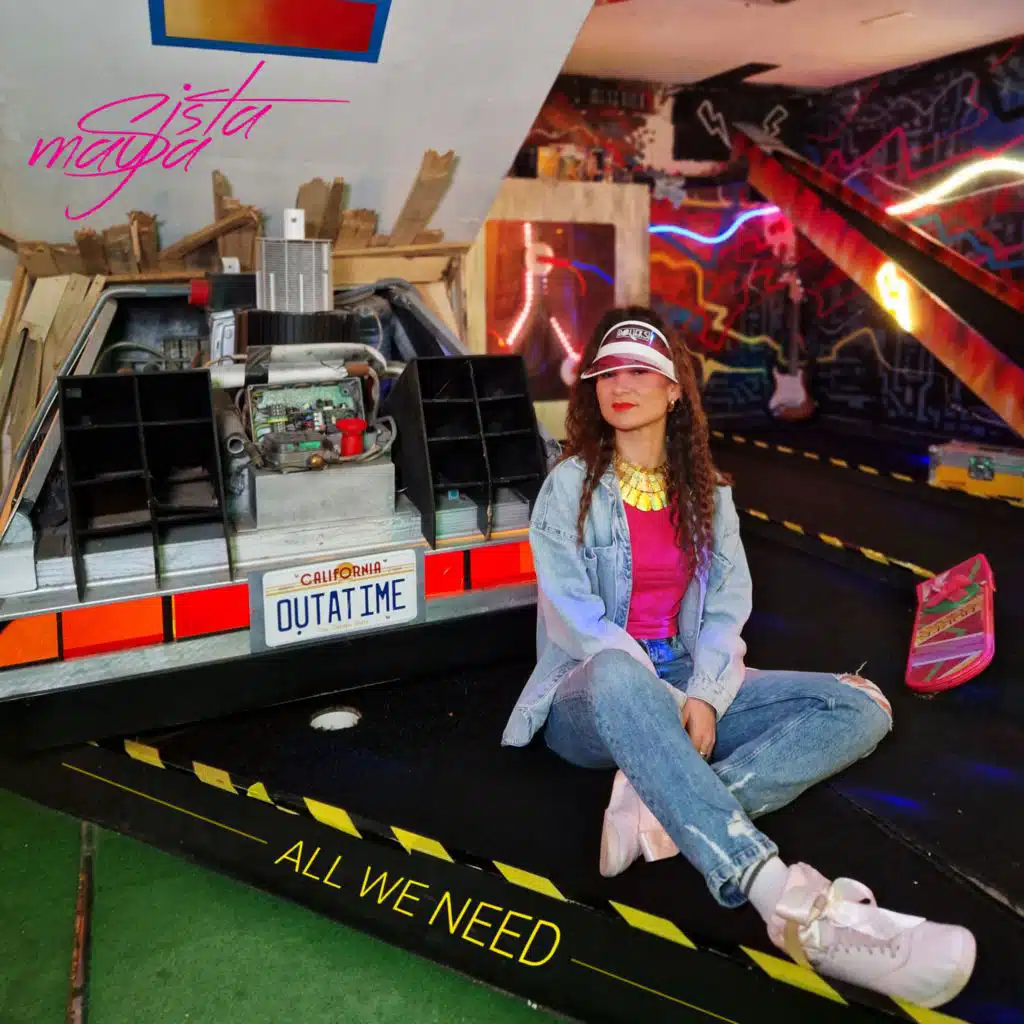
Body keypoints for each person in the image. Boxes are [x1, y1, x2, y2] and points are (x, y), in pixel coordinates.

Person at [502, 307, 976, 1009]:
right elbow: (576, 620)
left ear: (673, 391)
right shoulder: (569, 486)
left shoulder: (710, 494)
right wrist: (673, 702)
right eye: (606, 372)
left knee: (860, 705)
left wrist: (706, 693)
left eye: (639, 372)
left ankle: (661, 807)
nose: (619, 385)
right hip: (592, 693)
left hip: (682, 675)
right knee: (617, 671)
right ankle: (784, 899)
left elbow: (726, 610)